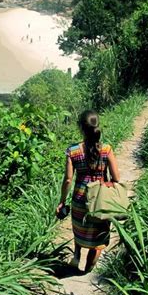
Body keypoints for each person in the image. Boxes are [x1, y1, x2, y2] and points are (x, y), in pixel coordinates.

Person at [56, 109, 120, 273]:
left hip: (79, 198)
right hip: (99, 199)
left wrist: (62, 201)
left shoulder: (73, 151)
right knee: (97, 237)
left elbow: (68, 179)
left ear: (81, 128)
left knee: (80, 228)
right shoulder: (106, 149)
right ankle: (86, 270)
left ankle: (77, 255)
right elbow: (116, 178)